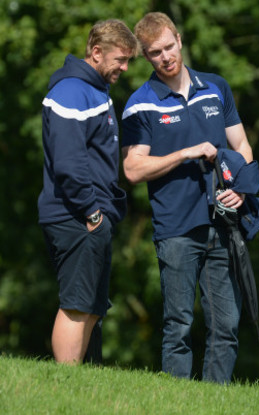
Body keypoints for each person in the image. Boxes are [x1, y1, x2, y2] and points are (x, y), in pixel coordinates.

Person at [120, 12, 253, 383]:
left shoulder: (215, 87)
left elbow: (241, 145)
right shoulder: (141, 103)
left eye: (168, 47)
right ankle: (175, 402)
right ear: (145, 56)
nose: (165, 57)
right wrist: (184, 153)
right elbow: (132, 169)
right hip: (176, 227)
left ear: (179, 39)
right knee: (178, 325)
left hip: (224, 223)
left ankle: (215, 402)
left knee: (226, 325)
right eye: (155, 53)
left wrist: (240, 186)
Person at [38, 19, 137, 364]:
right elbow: (68, 161)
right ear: (96, 52)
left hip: (91, 216)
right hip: (75, 215)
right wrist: (92, 212)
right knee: (77, 305)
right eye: (120, 60)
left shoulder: (94, 90)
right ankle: (64, 385)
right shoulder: (71, 91)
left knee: (92, 306)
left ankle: (76, 384)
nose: (125, 68)